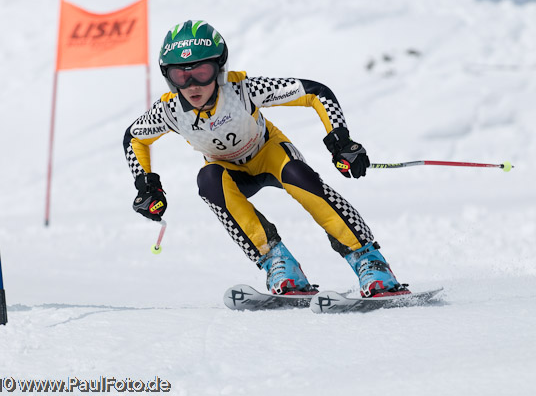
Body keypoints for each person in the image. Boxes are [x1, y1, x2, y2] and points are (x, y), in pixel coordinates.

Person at [123, 20, 410, 297]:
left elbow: (315, 93)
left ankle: (369, 260)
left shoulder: (242, 90)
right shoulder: (170, 110)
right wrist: (146, 185)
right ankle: (277, 263)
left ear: (219, 69)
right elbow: (134, 137)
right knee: (208, 181)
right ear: (168, 77)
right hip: (227, 169)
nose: (192, 85)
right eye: (180, 76)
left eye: (202, 72)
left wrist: (341, 141)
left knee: (300, 177)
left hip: (268, 154)